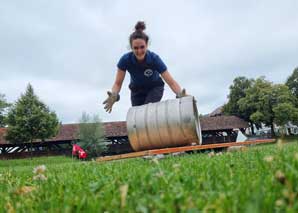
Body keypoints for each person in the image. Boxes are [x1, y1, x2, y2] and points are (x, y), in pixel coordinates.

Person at [103, 21, 188, 113]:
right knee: (137, 117)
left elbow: (171, 82)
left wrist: (180, 94)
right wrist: (114, 95)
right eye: (135, 48)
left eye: (142, 47)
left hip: (154, 88)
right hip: (136, 91)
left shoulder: (154, 59)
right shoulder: (125, 60)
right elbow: (117, 83)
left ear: (147, 45)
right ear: (131, 47)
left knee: (146, 112)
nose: (139, 51)